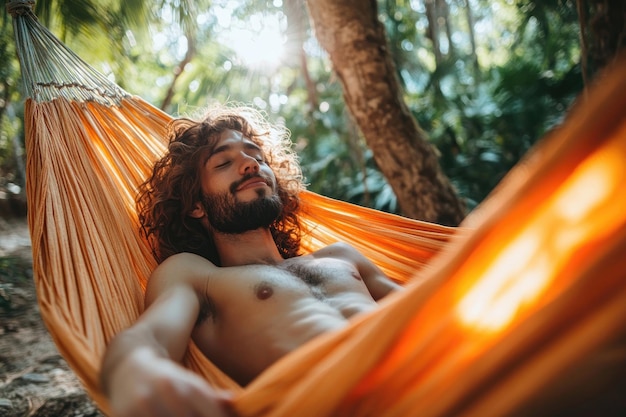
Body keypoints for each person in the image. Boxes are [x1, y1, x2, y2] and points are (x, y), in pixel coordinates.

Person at [100, 105, 403, 417]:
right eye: (223, 163)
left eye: (258, 157)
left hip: (427, 378)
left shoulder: (340, 255)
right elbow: (148, 339)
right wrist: (136, 372)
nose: (250, 165)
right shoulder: (196, 276)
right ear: (195, 207)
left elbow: (426, 306)